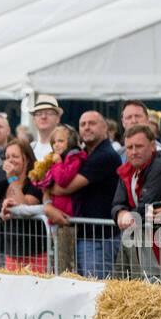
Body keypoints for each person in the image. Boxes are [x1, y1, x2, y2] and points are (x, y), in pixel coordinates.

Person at [48, 110, 122, 278]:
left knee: (95, 289)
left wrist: (45, 188)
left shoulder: (105, 155)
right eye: (83, 124)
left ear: (105, 128)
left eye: (92, 123)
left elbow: (65, 188)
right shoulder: (84, 154)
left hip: (99, 239)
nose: (87, 128)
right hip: (87, 235)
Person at [110, 125, 161, 281]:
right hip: (140, 239)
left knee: (158, 284)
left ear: (152, 146)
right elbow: (117, 202)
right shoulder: (128, 169)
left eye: (139, 146)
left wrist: (129, 215)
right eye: (129, 147)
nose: (133, 151)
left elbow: (147, 205)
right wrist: (120, 213)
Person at [0, 138, 43, 269]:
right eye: (7, 157)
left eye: (15, 156)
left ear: (27, 159)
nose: (11, 160)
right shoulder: (4, 183)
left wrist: (13, 178)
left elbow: (24, 206)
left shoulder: (35, 182)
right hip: (11, 252)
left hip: (35, 253)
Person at [31, 124, 84, 219]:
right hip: (55, 212)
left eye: (61, 141)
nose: (56, 145)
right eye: (54, 142)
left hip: (68, 214)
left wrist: (58, 163)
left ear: (70, 142)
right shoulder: (56, 157)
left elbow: (63, 180)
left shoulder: (74, 158)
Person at [29, 94, 61, 160]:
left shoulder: (64, 147)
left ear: (58, 119)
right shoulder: (30, 148)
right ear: (34, 120)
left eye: (48, 112)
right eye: (39, 113)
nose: (43, 117)